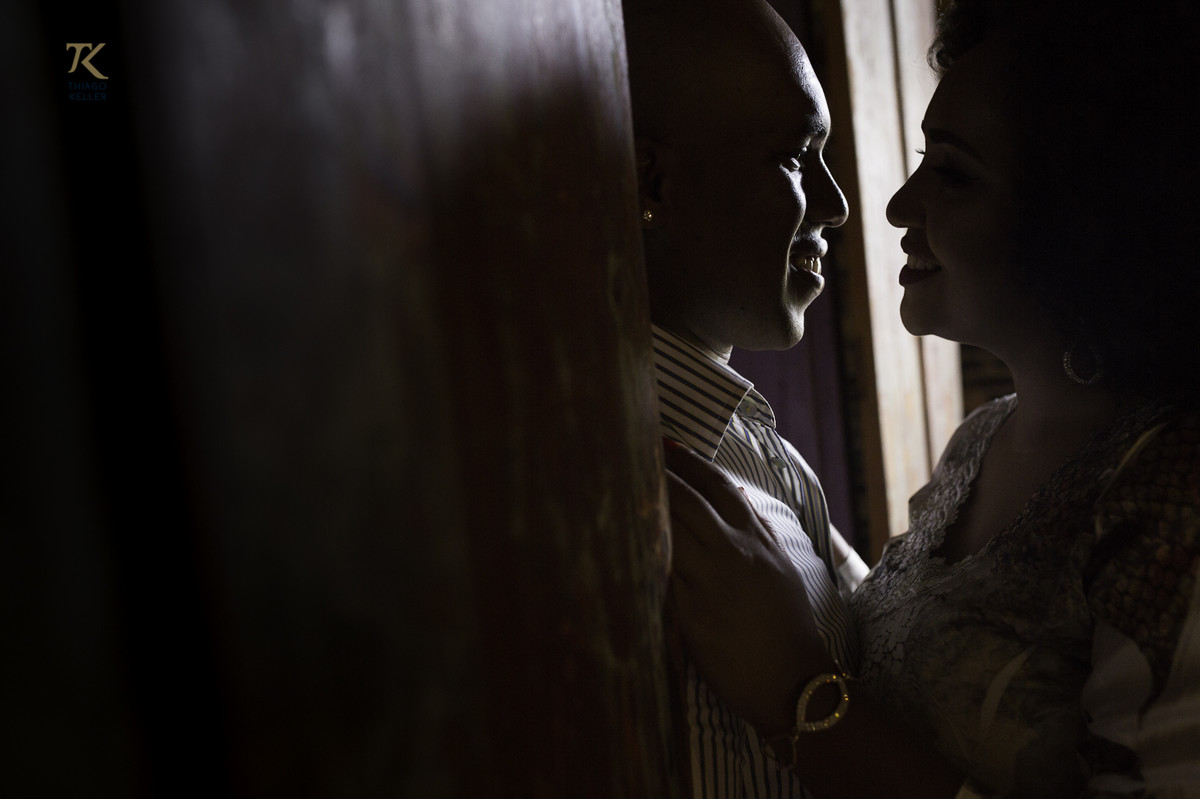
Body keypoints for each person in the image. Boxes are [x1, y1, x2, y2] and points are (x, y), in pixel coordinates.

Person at [664, 0, 1200, 796]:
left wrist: (804, 699)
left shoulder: (1176, 494)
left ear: (1084, 218)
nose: (893, 207)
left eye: (952, 173)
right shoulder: (979, 445)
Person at [622, 0, 868, 795]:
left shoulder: (774, 459)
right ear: (653, 180)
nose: (837, 205)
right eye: (797, 158)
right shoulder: (606, 475)